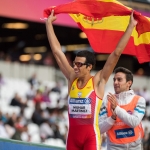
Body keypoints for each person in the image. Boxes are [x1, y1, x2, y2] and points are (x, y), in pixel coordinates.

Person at [45, 9, 137, 150]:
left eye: (79, 64)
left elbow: (116, 53)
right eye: (75, 63)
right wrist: (48, 24)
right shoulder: (72, 78)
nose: (75, 67)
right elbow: (57, 51)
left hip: (91, 139)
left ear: (89, 67)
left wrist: (131, 26)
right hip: (72, 139)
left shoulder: (98, 81)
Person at [99, 67, 146, 150]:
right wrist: (112, 118)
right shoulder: (106, 101)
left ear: (129, 83)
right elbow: (100, 129)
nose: (115, 82)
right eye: (114, 80)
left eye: (119, 80)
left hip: (135, 147)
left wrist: (116, 109)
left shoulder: (139, 100)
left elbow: (134, 122)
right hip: (114, 147)